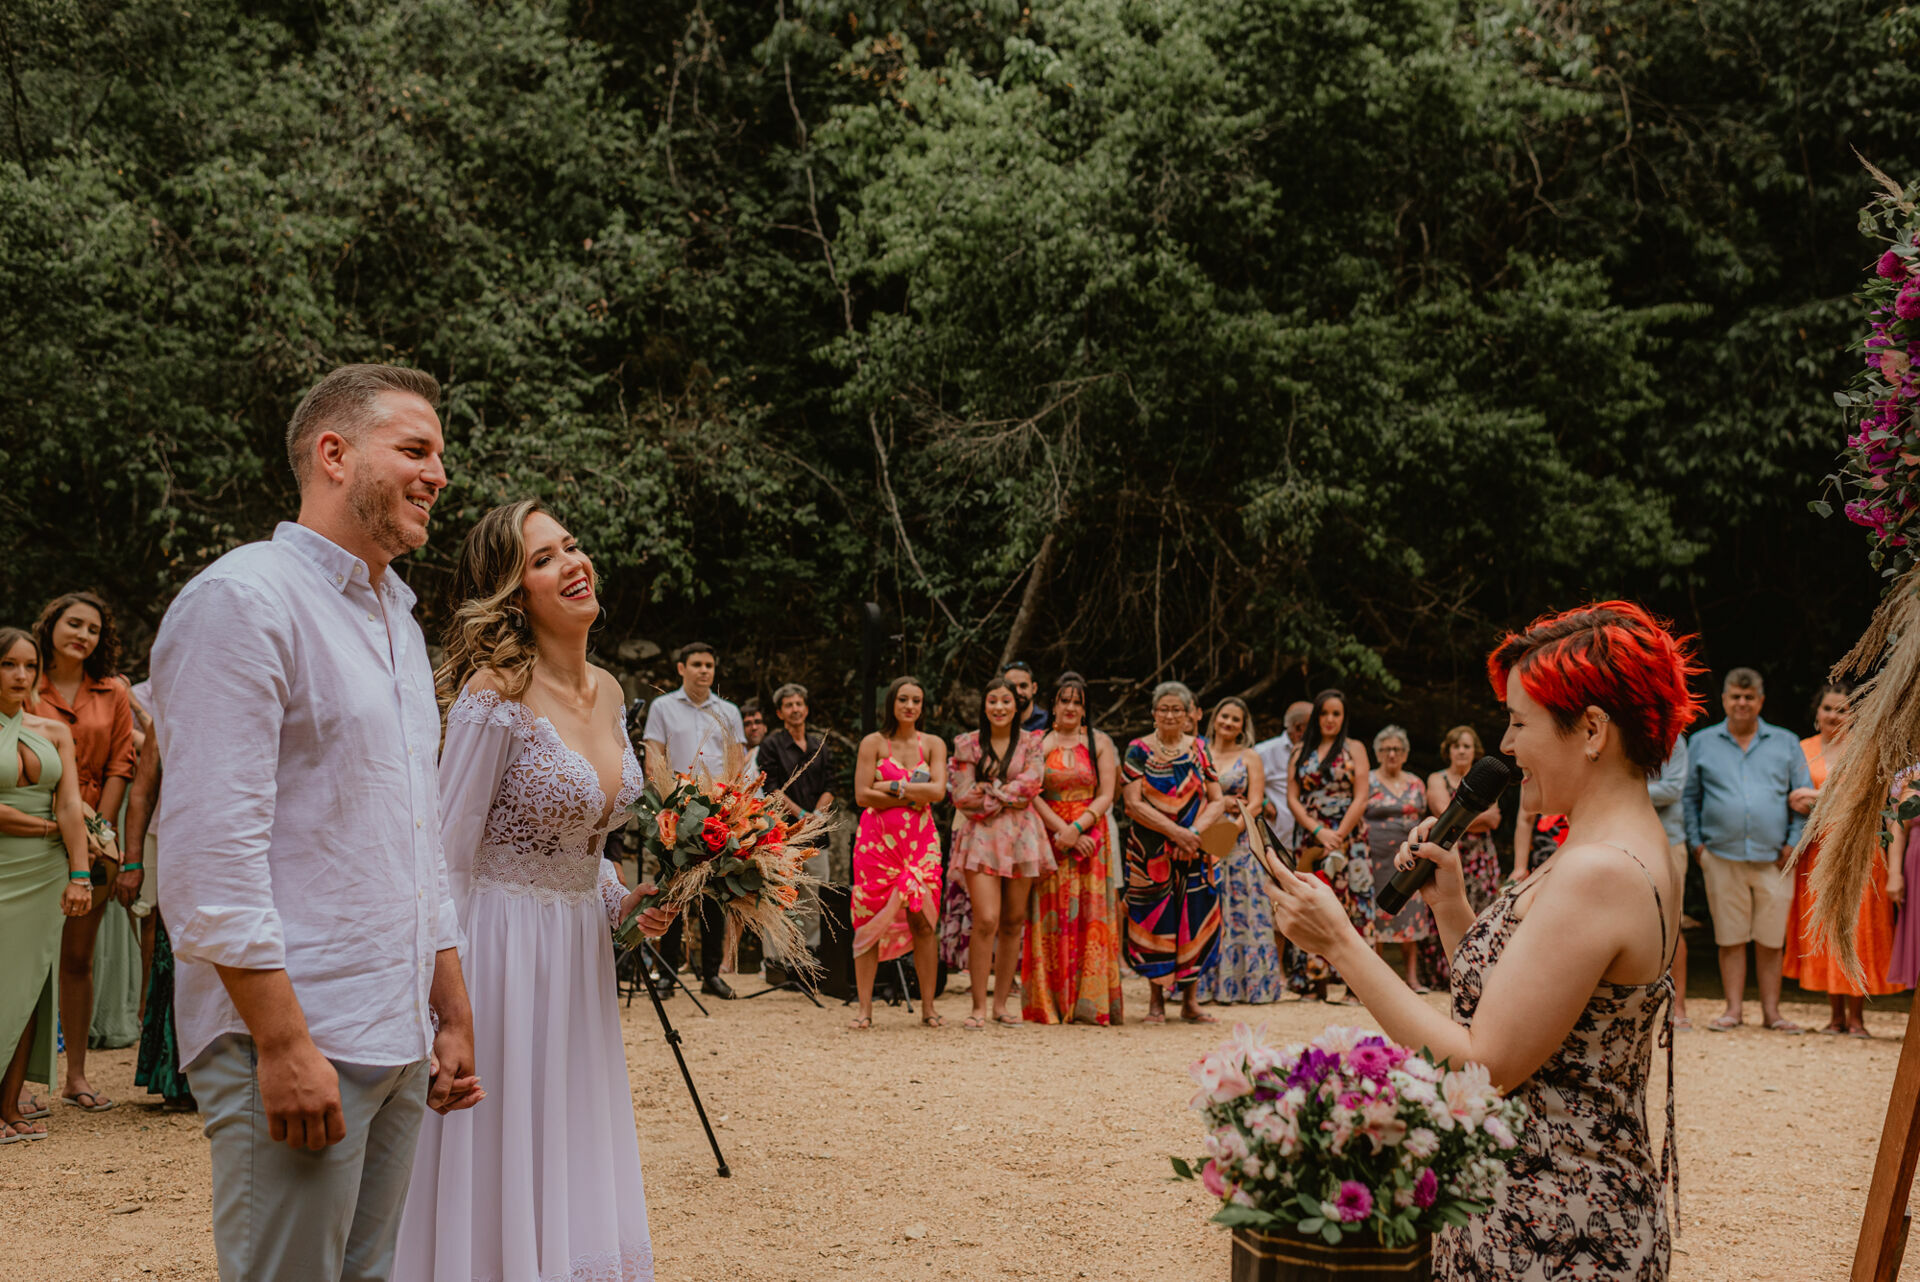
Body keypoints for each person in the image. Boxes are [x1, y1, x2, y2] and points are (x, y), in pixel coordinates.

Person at [151, 363, 481, 1282]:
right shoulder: (243, 600)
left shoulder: (400, 622)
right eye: (415, 449)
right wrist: (283, 1042)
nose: (439, 474)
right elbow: (211, 854)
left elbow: (413, 838)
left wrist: (449, 1012)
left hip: (396, 1025)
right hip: (303, 1028)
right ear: (333, 455)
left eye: (441, 455)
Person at [1262, 600, 1695, 1280]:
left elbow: (1485, 1066)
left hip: (1556, 1234)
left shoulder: (1599, 870)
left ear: (1591, 730)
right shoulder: (1623, 843)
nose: (1509, 747)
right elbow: (1534, 1019)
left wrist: (1341, 945)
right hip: (1550, 1204)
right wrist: (1453, 907)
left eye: (1520, 723)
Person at [394, 499, 677, 1281]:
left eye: (572, 545)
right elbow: (447, 856)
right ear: (515, 594)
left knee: (569, 1130)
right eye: (545, 558)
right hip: (500, 951)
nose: (573, 562)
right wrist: (441, 1003)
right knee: (503, 1138)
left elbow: (584, 847)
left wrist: (630, 899)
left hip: (578, 951)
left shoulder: (614, 692)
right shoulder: (495, 694)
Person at [33, 591, 139, 1108]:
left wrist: (104, 833)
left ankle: (76, 1076)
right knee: (26, 959)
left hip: (96, 840)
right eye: (73, 624)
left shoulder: (113, 690)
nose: (83, 635)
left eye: (93, 629)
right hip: (35, 832)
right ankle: (22, 1083)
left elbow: (123, 763)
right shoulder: (25, 681)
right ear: (51, 625)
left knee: (77, 959)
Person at [0, 628, 94, 1142]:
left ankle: (11, 1106)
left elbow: (70, 805)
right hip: (4, 866)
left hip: (46, 874)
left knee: (34, 984)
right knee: (2, 984)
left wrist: (80, 874)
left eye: (29, 666)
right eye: (8, 665)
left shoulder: (53, 730)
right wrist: (45, 828)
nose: (20, 675)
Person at [1684, 667, 1812, 1034]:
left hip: (1775, 858)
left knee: (1771, 940)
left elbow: (1802, 797)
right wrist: (1697, 846)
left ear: (1760, 701)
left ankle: (1772, 1013)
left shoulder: (1786, 742)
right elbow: (1690, 798)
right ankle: (1733, 1010)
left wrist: (1792, 842)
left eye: (1749, 696)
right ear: (1724, 700)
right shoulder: (1703, 743)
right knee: (1729, 936)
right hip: (1720, 856)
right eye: (1735, 696)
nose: (1742, 703)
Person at [1784, 683, 1902, 1033]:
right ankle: (1834, 1016)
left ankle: (1857, 1017)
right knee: (1822, 929)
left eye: (1842, 710)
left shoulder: (1866, 750)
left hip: (1859, 851)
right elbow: (1789, 798)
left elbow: (1861, 801)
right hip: (1816, 852)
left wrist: (1814, 796)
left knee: (1858, 929)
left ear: (1854, 716)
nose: (1834, 716)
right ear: (1817, 712)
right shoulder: (1800, 750)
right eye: (1828, 709)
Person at [644, 642, 747, 999]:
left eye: (709, 665)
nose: (705, 670)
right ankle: (668, 973)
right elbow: (653, 757)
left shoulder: (729, 710)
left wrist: (729, 805)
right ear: (681, 668)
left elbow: (737, 760)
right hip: (677, 810)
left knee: (718, 893)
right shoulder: (662, 706)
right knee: (672, 890)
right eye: (698, 664)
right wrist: (670, 800)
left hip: (717, 811)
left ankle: (711, 975)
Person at [1122, 681, 1226, 1024]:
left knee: (1194, 918)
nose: (1169, 714)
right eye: (1163, 709)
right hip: (1151, 851)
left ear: (1188, 716)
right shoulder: (1138, 749)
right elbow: (1133, 804)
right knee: (1154, 918)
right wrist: (1176, 833)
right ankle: (1156, 1001)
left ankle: (1190, 1001)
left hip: (1195, 849)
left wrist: (1193, 835)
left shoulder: (1200, 748)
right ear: (1153, 714)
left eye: (1176, 709)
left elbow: (1217, 799)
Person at [950, 677, 1051, 1028]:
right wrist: (1007, 793)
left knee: (1012, 922)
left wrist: (989, 790)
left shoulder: (1032, 743)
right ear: (984, 705)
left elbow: (1033, 784)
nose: (999, 707)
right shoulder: (969, 744)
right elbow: (962, 797)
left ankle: (1002, 1006)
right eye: (992, 701)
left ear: (1017, 705)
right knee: (987, 919)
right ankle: (978, 1005)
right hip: (980, 835)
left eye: (1006, 701)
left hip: (1022, 837)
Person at [1023, 673, 1122, 1024]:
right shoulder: (1039, 743)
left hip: (1090, 837)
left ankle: (1089, 1002)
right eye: (1064, 700)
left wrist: (1079, 828)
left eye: (1077, 702)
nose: (1070, 707)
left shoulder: (1099, 743)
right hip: (1051, 836)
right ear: (1053, 705)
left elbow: (1108, 792)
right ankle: (1050, 1001)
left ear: (1085, 709)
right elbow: (1030, 791)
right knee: (1051, 914)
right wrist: (1061, 830)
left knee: (1091, 916)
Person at [850, 676, 947, 1029]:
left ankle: (928, 1008)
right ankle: (864, 1008)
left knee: (924, 921)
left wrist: (887, 786)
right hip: (877, 844)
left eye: (916, 701)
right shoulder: (873, 743)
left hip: (921, 844)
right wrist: (909, 793)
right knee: (869, 918)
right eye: (903, 699)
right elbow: (861, 795)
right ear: (891, 702)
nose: (910, 706)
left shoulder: (933, 744)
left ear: (923, 706)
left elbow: (937, 792)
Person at [122, 678, 195, 1111]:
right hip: (181, 855)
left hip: (251, 855)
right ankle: (176, 1078)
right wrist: (133, 862)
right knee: (175, 961)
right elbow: (142, 792)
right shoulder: (170, 712)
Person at [1283, 689, 1373, 1001]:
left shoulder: (1355, 748)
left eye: (1336, 714)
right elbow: (1292, 798)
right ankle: (1315, 982)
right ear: (1316, 717)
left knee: (1354, 904)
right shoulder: (1300, 752)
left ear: (1344, 717)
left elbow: (1361, 795)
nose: (1330, 720)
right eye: (1324, 714)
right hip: (1310, 834)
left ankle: (1356, 984)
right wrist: (1319, 831)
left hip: (1349, 837)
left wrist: (1338, 835)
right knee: (1312, 901)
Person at [1193, 698, 1282, 1005]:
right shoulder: (1198, 750)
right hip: (1201, 836)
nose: (1228, 723)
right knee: (1206, 904)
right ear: (1215, 718)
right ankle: (1202, 986)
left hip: (1238, 840)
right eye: (1224, 716)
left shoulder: (1250, 757)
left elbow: (1256, 802)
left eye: (1236, 719)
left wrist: (1231, 830)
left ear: (1243, 726)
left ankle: (1247, 985)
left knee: (1243, 907)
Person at [757, 682, 835, 971]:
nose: (795, 709)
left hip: (816, 836)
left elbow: (830, 785)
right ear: (780, 713)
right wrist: (801, 814)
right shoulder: (771, 745)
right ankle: (776, 960)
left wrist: (816, 814)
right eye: (789, 705)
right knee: (779, 896)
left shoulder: (819, 745)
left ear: (806, 708)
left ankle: (808, 955)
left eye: (799, 704)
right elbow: (772, 789)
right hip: (782, 834)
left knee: (813, 897)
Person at [1365, 725, 1432, 992]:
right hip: (1376, 857)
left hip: (1409, 856)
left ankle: (1412, 979)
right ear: (1377, 753)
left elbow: (1423, 816)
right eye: (1386, 749)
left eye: (1397, 749)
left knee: (1410, 912)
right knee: (1378, 914)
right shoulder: (1368, 780)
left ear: (1405, 754)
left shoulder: (1416, 782)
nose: (1392, 754)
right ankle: (1379, 979)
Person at [1427, 725, 1504, 912]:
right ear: (1448, 750)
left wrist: (1458, 819)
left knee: (1481, 914)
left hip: (1481, 856)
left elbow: (1494, 820)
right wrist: (1480, 818)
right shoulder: (1437, 779)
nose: (1461, 751)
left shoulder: (1485, 779)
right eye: (1456, 746)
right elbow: (1445, 817)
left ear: (1475, 750)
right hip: (1450, 850)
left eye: (1466, 746)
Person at [1648, 740, 1692, 1029]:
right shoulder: (1614, 728)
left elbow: (1672, 789)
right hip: (1621, 837)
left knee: (1671, 925)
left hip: (1668, 841)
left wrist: (1619, 790)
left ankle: (1679, 1006)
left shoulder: (1673, 740)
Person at [1253, 701, 1311, 851]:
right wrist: (1264, 802)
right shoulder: (1265, 752)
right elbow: (1242, 783)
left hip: (1312, 839)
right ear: (1299, 727)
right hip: (1278, 839)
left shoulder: (1318, 753)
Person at [1003, 660, 1050, 733]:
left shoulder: (1048, 721)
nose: (1018, 692)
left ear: (1034, 688)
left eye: (1023, 686)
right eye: (1012, 687)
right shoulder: (997, 722)